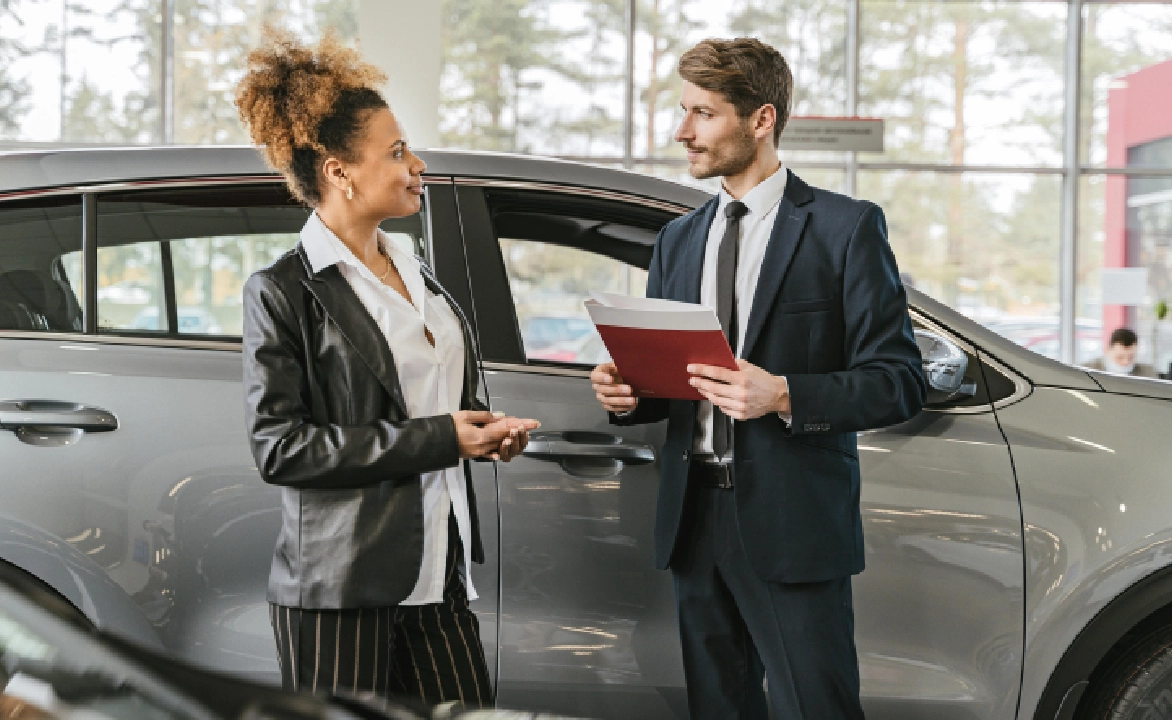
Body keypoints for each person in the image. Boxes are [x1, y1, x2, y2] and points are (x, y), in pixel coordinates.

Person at [591, 38, 925, 719]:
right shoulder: (678, 240)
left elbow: (899, 379)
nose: (682, 131)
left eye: (703, 114)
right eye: (684, 111)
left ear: (761, 118)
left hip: (791, 524)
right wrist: (629, 395)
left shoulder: (844, 229)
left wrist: (786, 394)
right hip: (694, 522)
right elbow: (670, 383)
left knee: (817, 708)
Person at [236, 29, 538, 707]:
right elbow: (279, 448)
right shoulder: (284, 291)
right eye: (397, 152)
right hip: (342, 587)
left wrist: (482, 436)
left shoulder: (413, 271)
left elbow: (425, 402)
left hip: (440, 571)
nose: (416, 164)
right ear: (339, 171)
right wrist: (442, 438)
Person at [1085, 327, 1159, 377]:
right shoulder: (1086, 371)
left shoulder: (1148, 373)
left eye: (1131, 357)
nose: (1125, 362)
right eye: (1120, 357)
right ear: (1108, 350)